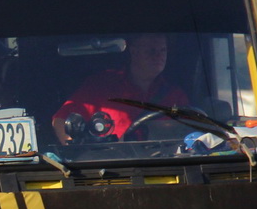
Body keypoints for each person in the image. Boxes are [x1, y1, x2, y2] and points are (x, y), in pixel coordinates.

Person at [51, 33, 188, 143]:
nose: (158, 56)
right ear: (134, 52)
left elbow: (190, 134)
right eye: (150, 51)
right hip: (115, 168)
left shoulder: (175, 95)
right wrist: (77, 154)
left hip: (163, 167)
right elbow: (61, 120)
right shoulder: (101, 84)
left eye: (162, 50)